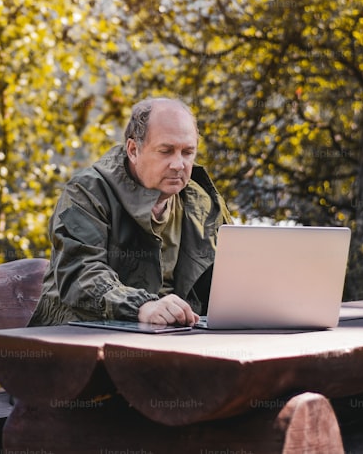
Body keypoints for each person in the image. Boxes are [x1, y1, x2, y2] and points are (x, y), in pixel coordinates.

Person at [28, 97, 232, 327]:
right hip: (82, 338)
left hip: (175, 340)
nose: (178, 164)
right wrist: (141, 306)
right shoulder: (85, 193)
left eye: (187, 152)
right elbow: (80, 272)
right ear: (133, 150)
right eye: (166, 151)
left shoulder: (204, 204)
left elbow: (233, 277)